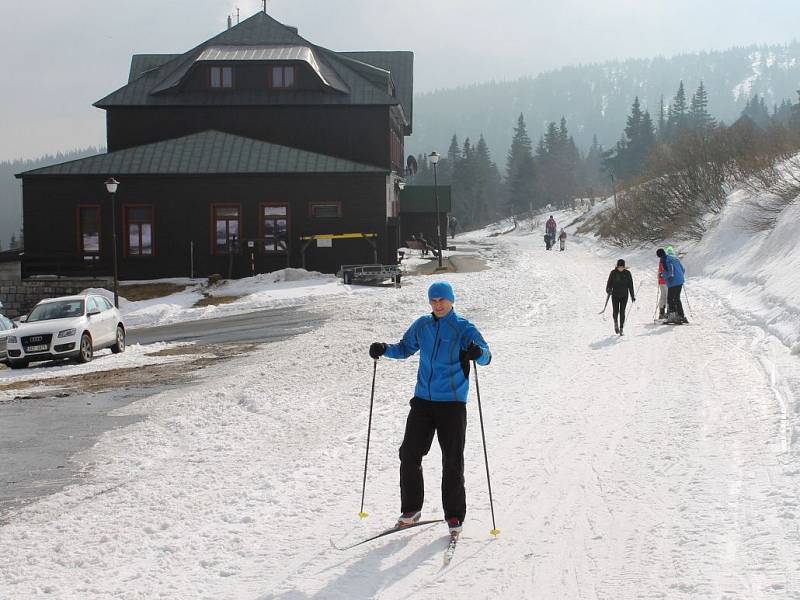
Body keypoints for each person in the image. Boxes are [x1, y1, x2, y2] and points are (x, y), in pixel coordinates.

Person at [368, 281, 492, 536]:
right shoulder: (422, 325)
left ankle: (455, 515)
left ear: (451, 300)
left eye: (442, 300)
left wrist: (477, 352)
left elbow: (487, 355)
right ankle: (411, 510)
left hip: (452, 404)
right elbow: (404, 348)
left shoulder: (463, 328)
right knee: (409, 454)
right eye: (433, 300)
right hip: (423, 401)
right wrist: (384, 349)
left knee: (452, 460)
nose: (438, 304)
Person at [605, 259, 635, 335]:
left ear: (624, 267)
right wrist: (608, 290)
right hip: (615, 295)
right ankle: (615, 323)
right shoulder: (613, 273)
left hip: (624, 295)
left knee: (622, 311)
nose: (620, 268)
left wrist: (632, 296)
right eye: (619, 267)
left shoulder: (627, 273)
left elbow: (630, 285)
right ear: (617, 266)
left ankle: (621, 328)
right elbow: (609, 284)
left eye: (622, 267)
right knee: (615, 311)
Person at [657, 248, 687, 324]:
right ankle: (681, 316)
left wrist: (662, 274)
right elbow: (683, 269)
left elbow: (670, 272)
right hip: (680, 280)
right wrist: (679, 277)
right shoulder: (674, 258)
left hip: (673, 282)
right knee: (677, 298)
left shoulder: (665, 260)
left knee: (670, 299)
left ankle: (673, 317)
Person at [656, 249, 668, 320]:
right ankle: (669, 312)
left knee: (662, 296)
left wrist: (658, 278)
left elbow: (659, 270)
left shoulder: (660, 260)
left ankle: (661, 313)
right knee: (668, 296)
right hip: (666, 280)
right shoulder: (665, 259)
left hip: (661, 281)